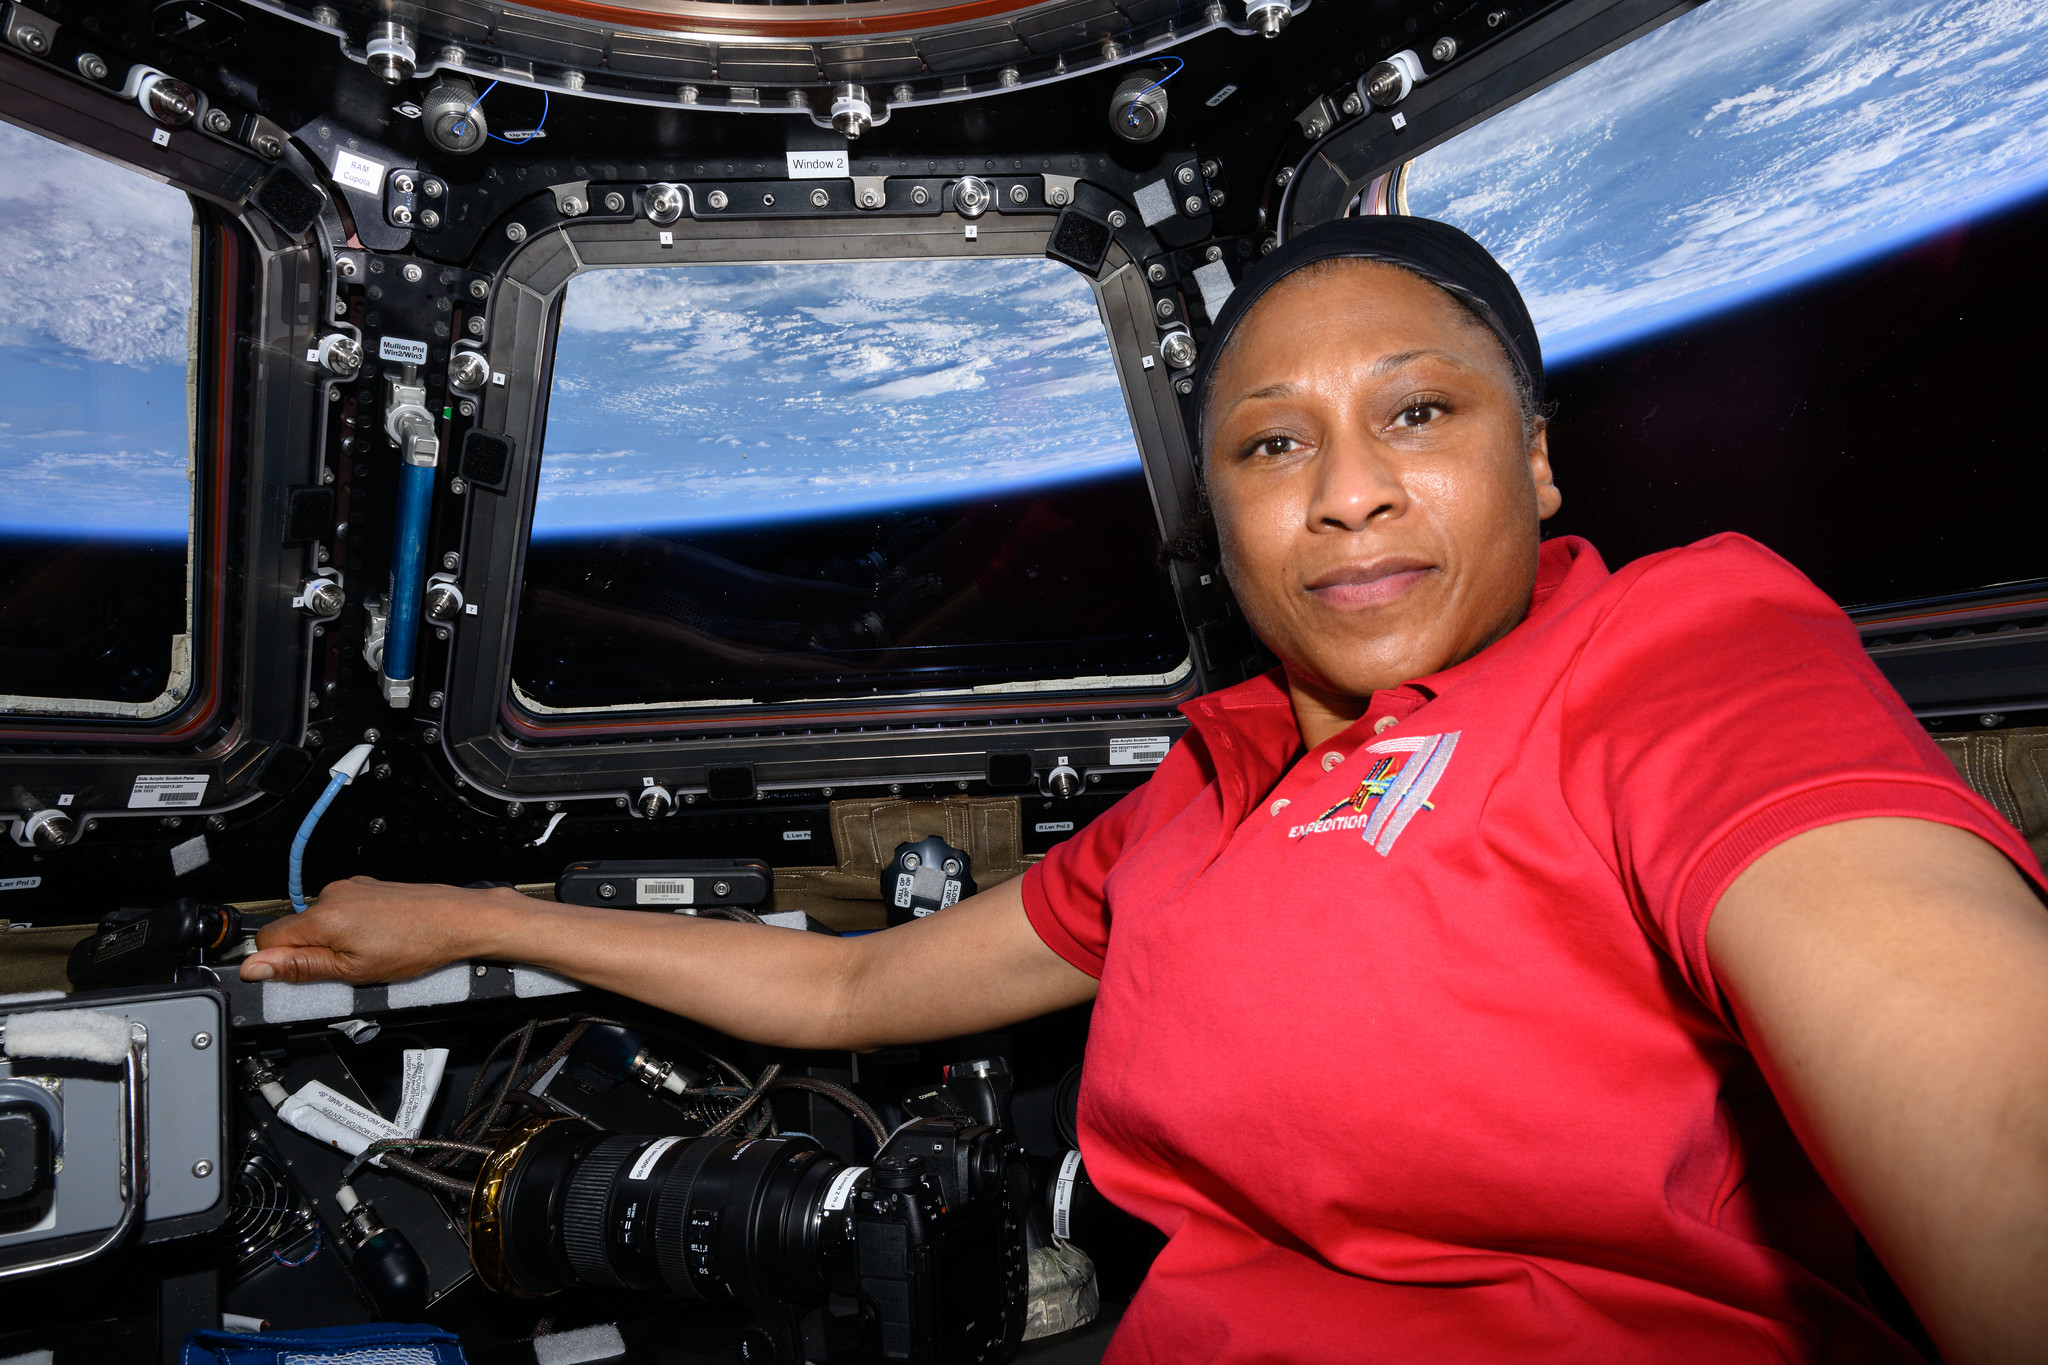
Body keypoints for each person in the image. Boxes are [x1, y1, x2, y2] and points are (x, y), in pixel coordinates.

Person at [243, 218, 2048, 1364]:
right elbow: (849, 987)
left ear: (1543, 462)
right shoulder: (1199, 791)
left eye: (1418, 414)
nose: (1347, 489)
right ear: (1222, 520)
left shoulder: (1672, 657)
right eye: (1273, 443)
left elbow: (1993, 1117)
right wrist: (459, 913)